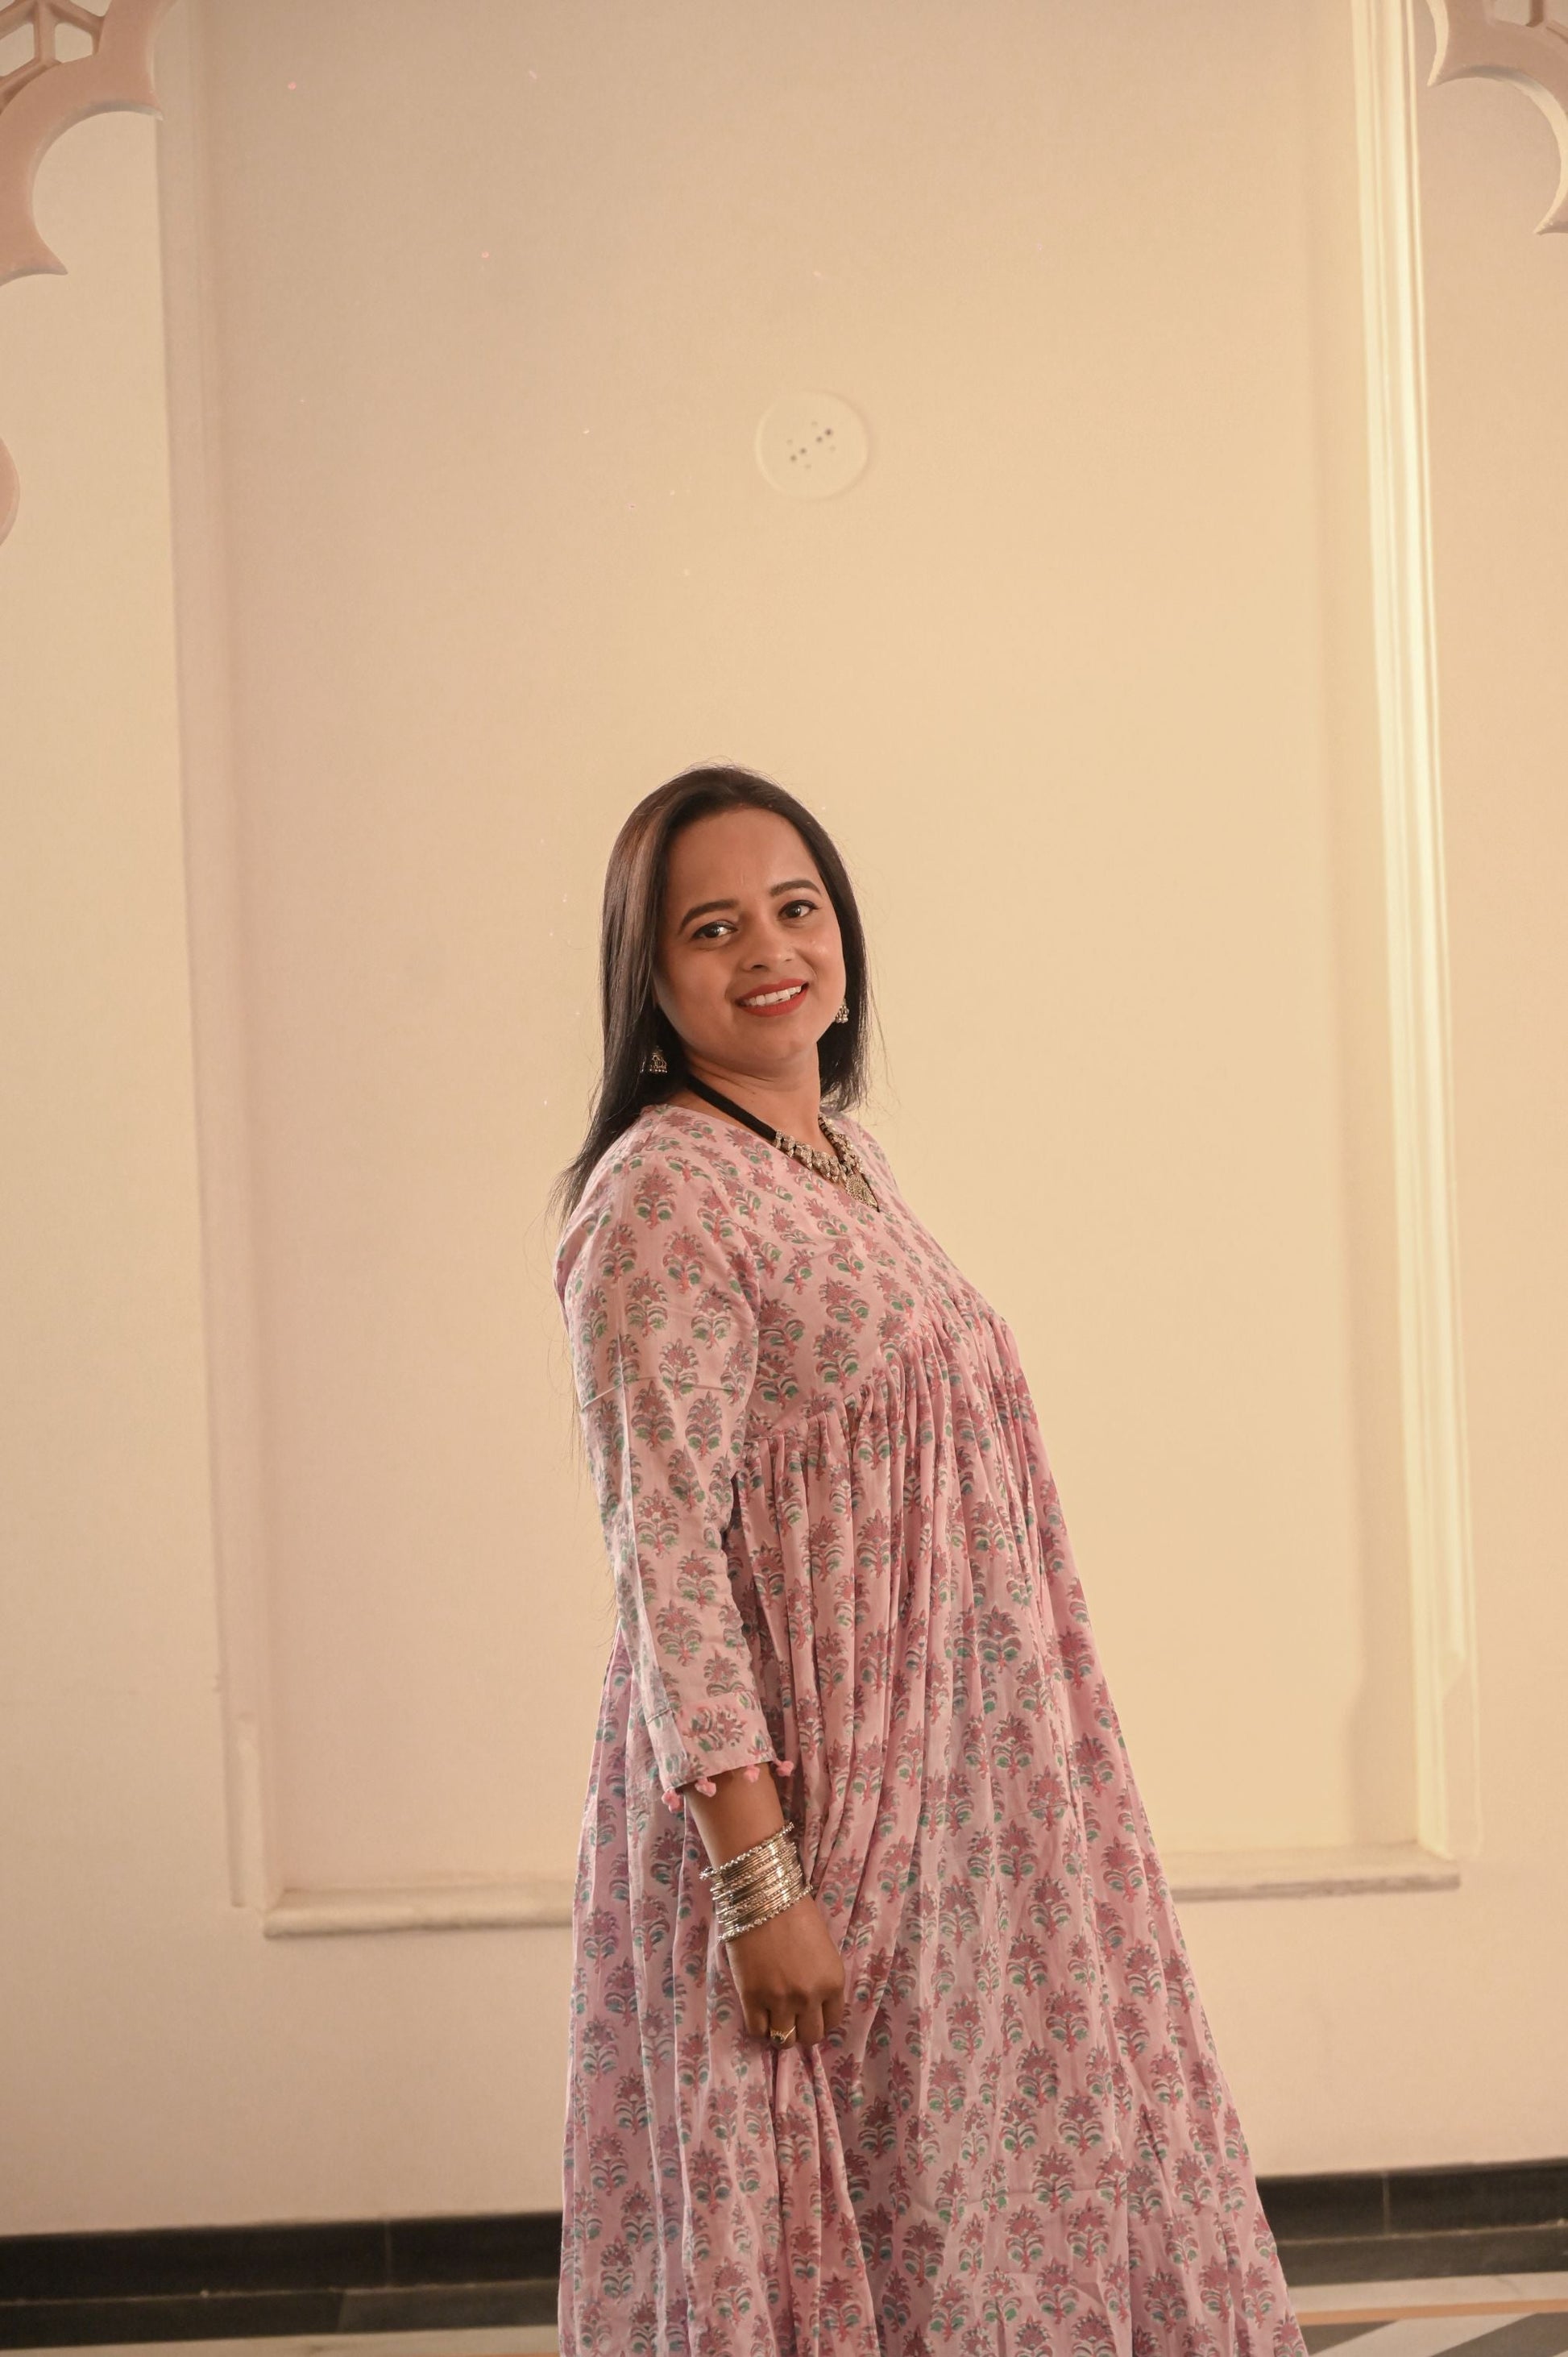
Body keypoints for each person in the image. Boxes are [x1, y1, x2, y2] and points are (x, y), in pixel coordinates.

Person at [550, 764, 1308, 2357]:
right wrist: (761, 1885)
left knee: (981, 2203)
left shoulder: (844, 1159)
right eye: (713, 926)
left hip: (970, 1799)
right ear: (649, 971)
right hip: (817, 1811)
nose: (771, 948)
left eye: (797, 906)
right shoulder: (659, 1197)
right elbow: (664, 1561)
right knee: (843, 2204)